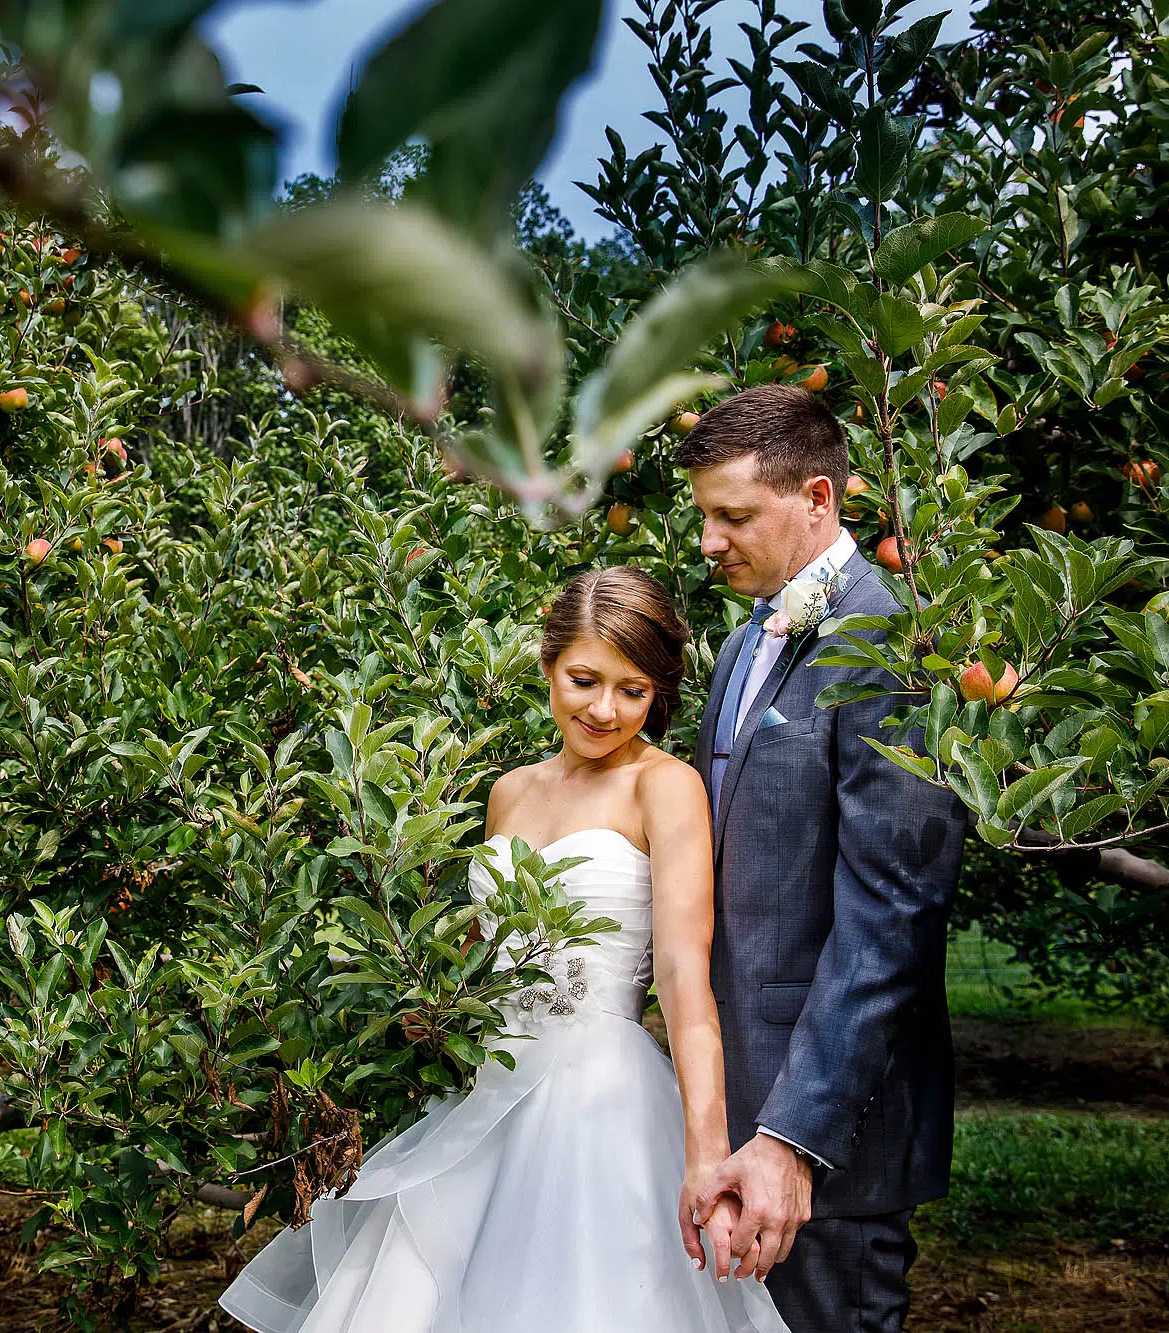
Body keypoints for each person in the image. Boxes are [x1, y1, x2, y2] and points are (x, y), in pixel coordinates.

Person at [218, 565, 792, 1333]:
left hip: (601, 1102)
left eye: (633, 690)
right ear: (549, 664)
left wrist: (706, 1155)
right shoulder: (511, 791)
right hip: (490, 1085)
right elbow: (488, 953)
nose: (604, 708)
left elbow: (686, 979)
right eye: (584, 679)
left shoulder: (665, 785)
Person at [675, 383, 971, 1333]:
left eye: (733, 516)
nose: (710, 543)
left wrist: (791, 1138)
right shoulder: (739, 643)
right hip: (734, 1114)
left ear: (816, 498)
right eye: (704, 518)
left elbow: (894, 917)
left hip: (827, 1133)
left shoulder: (890, 640)